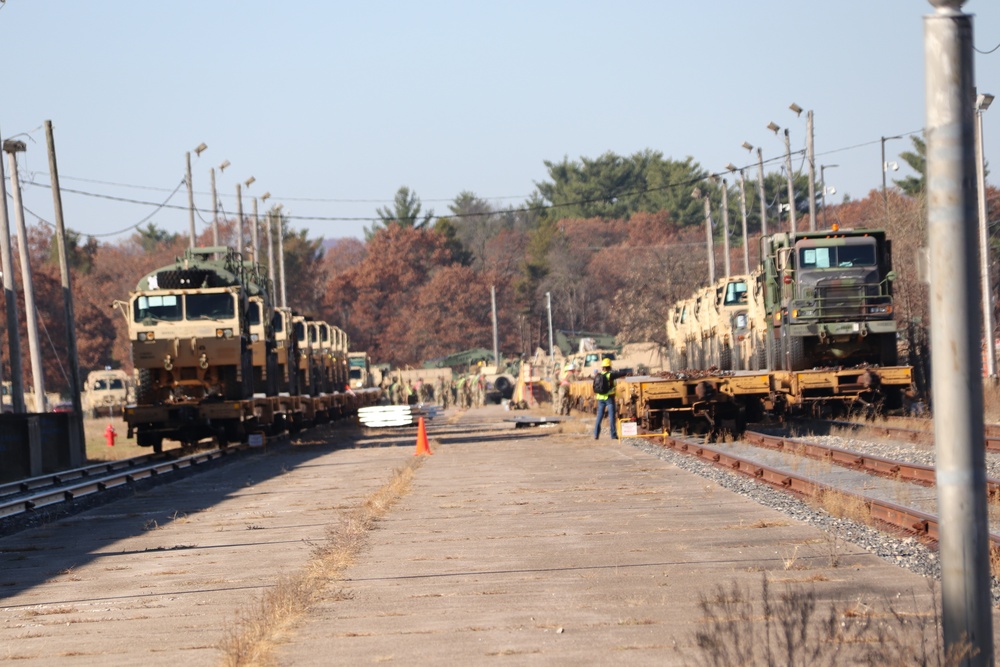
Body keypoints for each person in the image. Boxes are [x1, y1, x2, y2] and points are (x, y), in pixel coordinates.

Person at [593, 357, 628, 440]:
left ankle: (596, 434)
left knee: (599, 417)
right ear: (609, 366)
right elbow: (621, 374)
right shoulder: (610, 375)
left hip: (600, 399)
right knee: (611, 417)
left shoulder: (598, 375)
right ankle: (613, 435)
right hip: (609, 398)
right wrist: (627, 372)